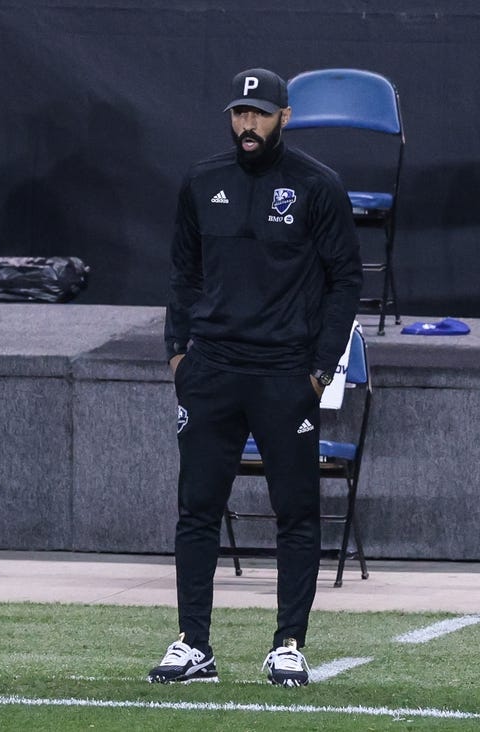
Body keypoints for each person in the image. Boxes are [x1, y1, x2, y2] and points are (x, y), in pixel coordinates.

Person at [149, 68, 362, 687]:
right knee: (197, 508)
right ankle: (194, 644)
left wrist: (321, 370)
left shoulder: (317, 186)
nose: (248, 125)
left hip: (284, 373)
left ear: (284, 118)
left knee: (296, 510)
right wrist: (177, 355)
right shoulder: (202, 180)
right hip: (211, 367)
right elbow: (182, 273)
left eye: (261, 114)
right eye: (241, 113)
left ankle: (289, 643)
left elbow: (346, 281)